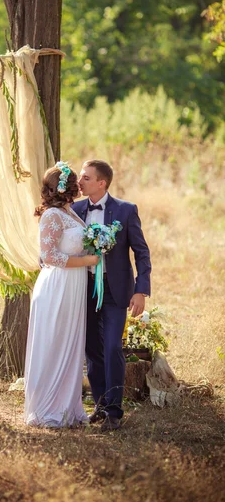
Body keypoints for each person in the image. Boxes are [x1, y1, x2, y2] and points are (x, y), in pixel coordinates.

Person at [72, 160, 151, 432]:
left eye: (85, 177)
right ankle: (101, 405)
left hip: (116, 292)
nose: (78, 182)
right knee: (91, 351)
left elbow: (141, 252)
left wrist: (141, 290)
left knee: (113, 347)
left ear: (101, 183)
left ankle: (115, 411)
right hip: (84, 290)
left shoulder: (126, 211)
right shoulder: (75, 210)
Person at [24, 162, 100, 428]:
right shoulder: (52, 216)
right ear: (64, 187)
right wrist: (90, 260)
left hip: (73, 287)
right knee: (54, 343)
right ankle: (48, 407)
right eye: (73, 183)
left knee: (70, 344)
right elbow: (50, 256)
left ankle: (68, 406)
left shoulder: (70, 212)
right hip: (57, 287)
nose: (79, 185)